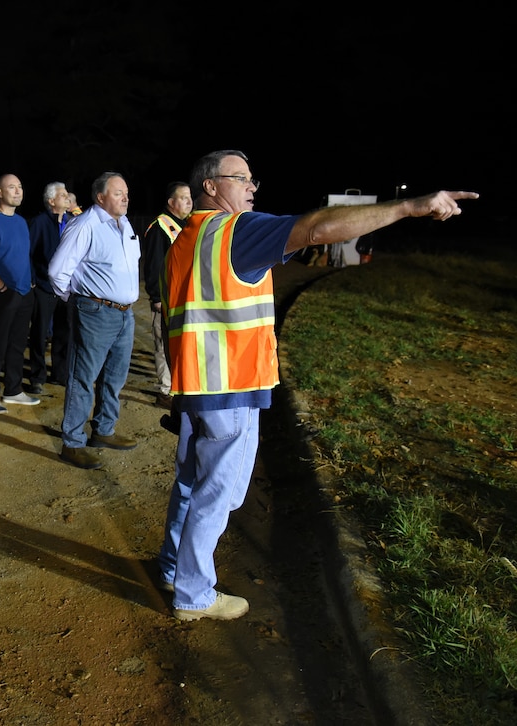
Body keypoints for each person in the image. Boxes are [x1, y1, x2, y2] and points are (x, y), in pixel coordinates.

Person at [158, 149, 478, 621]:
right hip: (231, 386)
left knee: (190, 482)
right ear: (210, 186)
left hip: (195, 386)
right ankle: (193, 593)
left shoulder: (185, 239)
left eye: (253, 181)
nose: (252, 188)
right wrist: (408, 207)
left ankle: (171, 567)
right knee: (218, 492)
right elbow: (317, 228)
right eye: (241, 179)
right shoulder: (235, 231)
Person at [48, 171, 140, 470]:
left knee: (115, 376)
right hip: (95, 312)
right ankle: (72, 443)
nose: (125, 197)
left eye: (126, 192)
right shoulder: (85, 224)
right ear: (101, 197)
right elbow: (57, 271)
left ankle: (103, 430)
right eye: (118, 192)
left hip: (125, 313)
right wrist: (78, 301)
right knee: (83, 377)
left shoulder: (124, 224)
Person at [0, 173, 40, 414]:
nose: (18, 191)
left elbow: (23, 255)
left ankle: (13, 390)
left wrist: (31, 282)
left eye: (20, 186)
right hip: (4, 292)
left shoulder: (21, 222)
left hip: (25, 291)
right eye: (11, 187)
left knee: (17, 344)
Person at [142, 182, 193, 409]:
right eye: (183, 198)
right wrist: (156, 298)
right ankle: (165, 392)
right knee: (164, 347)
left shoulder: (188, 225)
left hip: (186, 299)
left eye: (190, 197)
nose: (189, 202)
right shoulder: (160, 227)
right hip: (166, 301)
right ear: (171, 202)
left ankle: (180, 387)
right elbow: (152, 267)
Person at [26, 181, 71, 394]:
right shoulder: (40, 222)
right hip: (44, 287)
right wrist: (33, 280)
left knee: (64, 333)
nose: (67, 196)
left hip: (67, 289)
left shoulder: (71, 222)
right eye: (62, 194)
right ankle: (37, 376)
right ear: (51, 201)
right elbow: (29, 252)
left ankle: (60, 374)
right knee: (40, 333)